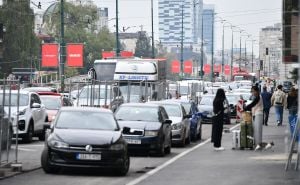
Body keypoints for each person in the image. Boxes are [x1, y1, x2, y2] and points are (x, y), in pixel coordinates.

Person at [244, 86, 264, 150]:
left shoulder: (258, 97)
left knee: (258, 130)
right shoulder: (256, 97)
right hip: (256, 114)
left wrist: (245, 108)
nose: (252, 92)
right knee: (256, 130)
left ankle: (258, 145)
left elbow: (253, 104)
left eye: (253, 91)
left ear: (257, 91)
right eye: (251, 91)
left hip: (259, 114)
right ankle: (257, 144)